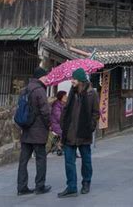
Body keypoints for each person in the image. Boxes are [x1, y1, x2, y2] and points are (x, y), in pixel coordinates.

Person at [58, 68, 100, 198]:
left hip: (84, 131)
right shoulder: (72, 92)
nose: (72, 81)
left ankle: (86, 182)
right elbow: (66, 110)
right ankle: (71, 187)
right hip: (69, 133)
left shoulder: (91, 94)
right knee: (69, 161)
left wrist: (91, 127)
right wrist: (63, 125)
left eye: (74, 79)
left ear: (81, 80)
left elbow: (95, 113)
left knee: (86, 160)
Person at [16, 67, 52, 196]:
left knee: (23, 160)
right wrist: (50, 125)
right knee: (40, 158)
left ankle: (21, 187)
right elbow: (45, 111)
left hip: (26, 130)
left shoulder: (24, 90)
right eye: (46, 76)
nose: (47, 79)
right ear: (41, 77)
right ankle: (40, 186)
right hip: (38, 131)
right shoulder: (39, 90)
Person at [50, 90, 67, 154]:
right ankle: (59, 145)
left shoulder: (63, 104)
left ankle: (61, 145)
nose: (66, 97)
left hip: (61, 124)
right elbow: (59, 118)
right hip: (56, 125)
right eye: (65, 96)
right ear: (61, 97)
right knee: (65, 133)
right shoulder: (56, 106)